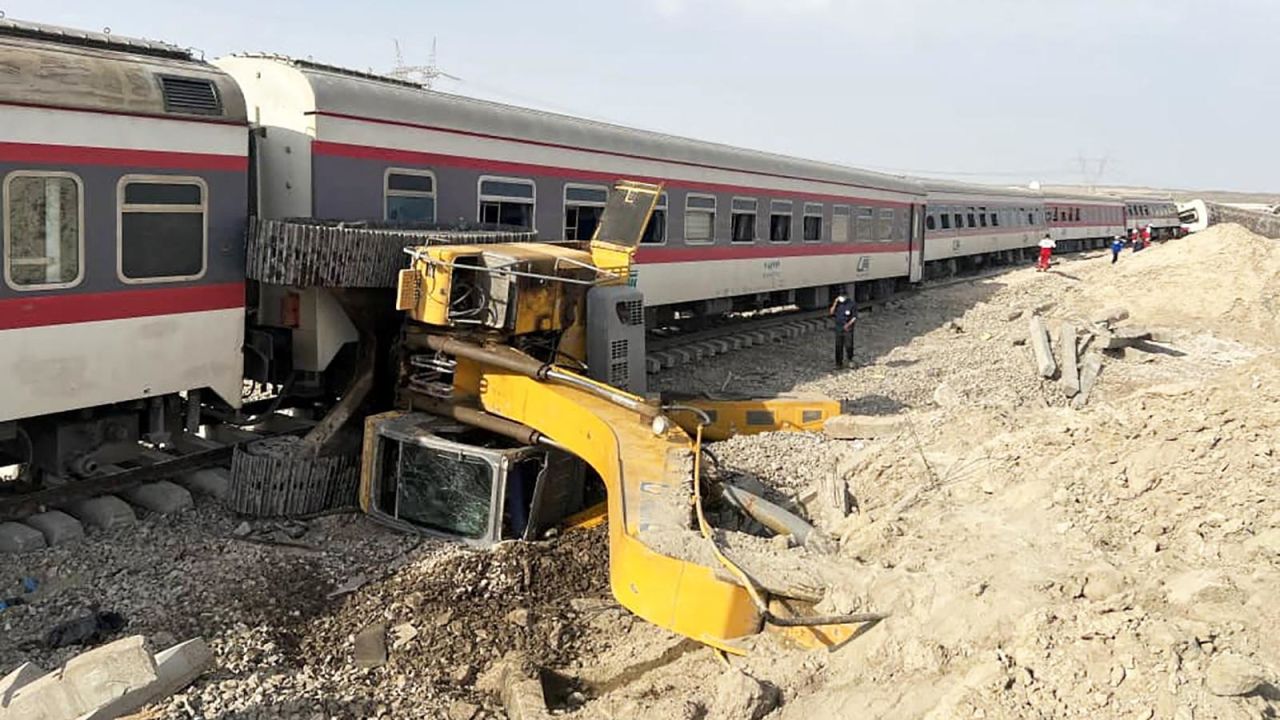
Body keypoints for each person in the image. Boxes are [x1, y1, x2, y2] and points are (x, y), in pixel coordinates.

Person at [829, 290, 857, 368]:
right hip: (839, 327)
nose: (841, 298)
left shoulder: (851, 304)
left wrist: (848, 325)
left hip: (848, 328)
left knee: (849, 345)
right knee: (838, 346)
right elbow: (831, 312)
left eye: (842, 296)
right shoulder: (838, 304)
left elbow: (854, 317)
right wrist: (835, 303)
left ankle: (850, 360)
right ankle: (838, 363)